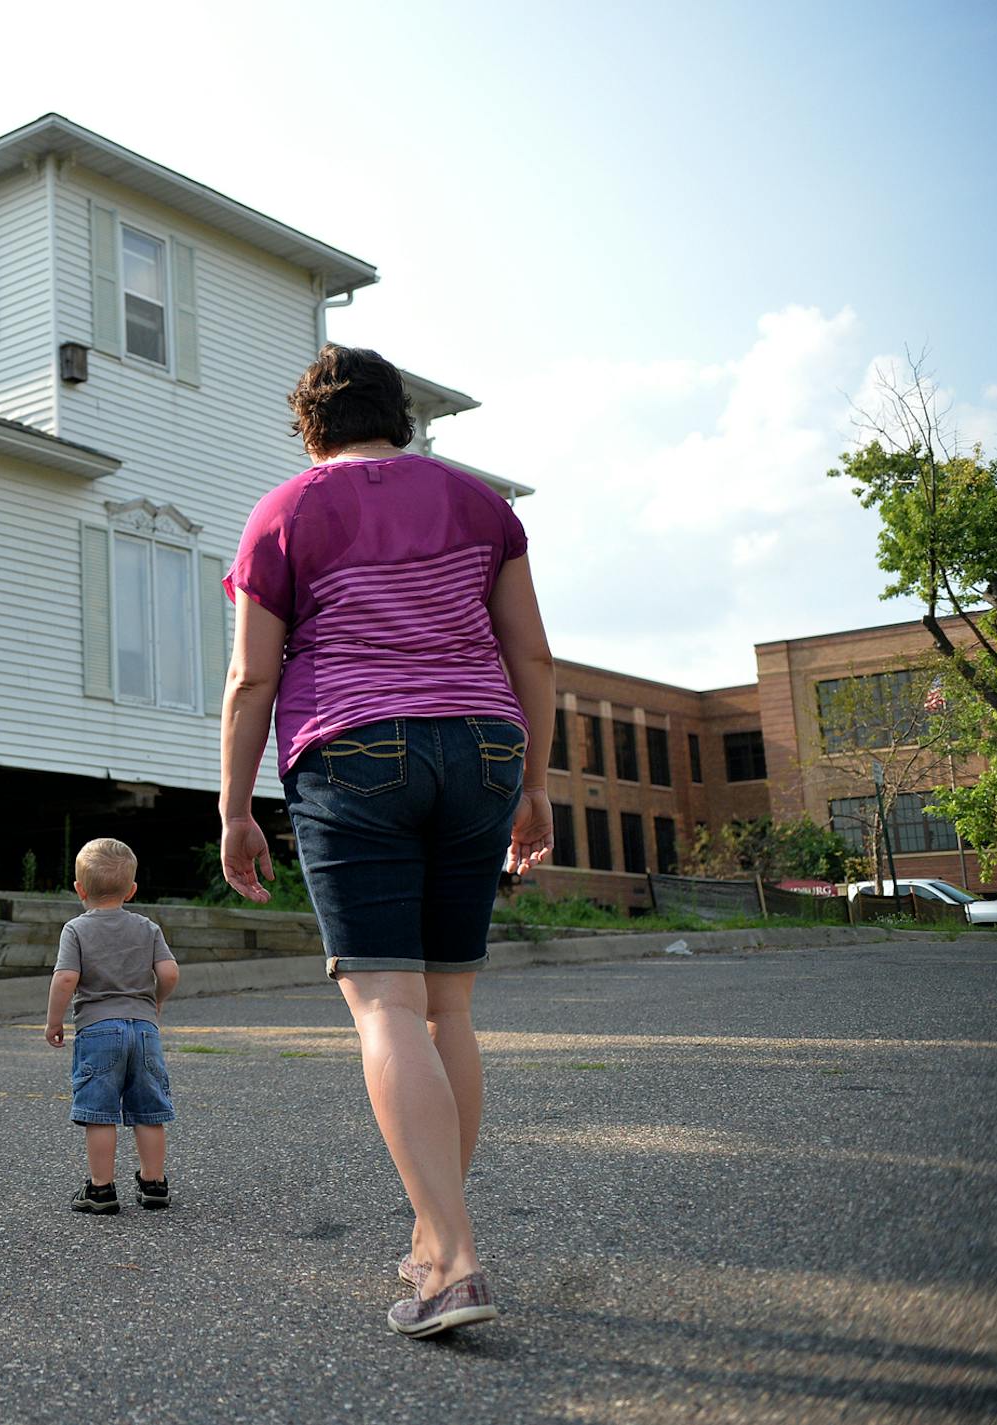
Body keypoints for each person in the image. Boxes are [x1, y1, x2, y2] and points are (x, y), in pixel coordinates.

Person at [216, 345, 556, 1339]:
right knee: (447, 1007)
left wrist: (235, 805)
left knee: (385, 1004)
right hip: (486, 745)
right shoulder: (480, 505)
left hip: (355, 746)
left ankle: (450, 1261)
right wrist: (534, 781)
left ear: (308, 425)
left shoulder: (284, 513)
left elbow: (251, 680)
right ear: (397, 417)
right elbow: (529, 648)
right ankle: (429, 1238)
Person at [44, 837, 181, 1214]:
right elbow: (169, 971)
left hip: (98, 1030)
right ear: (132, 890)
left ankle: (101, 1190)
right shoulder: (148, 928)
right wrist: (156, 1001)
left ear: (79, 889)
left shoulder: (75, 929)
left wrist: (55, 1020)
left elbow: (66, 979)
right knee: (150, 1109)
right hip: (144, 1029)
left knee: (98, 1111)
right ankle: (154, 1184)